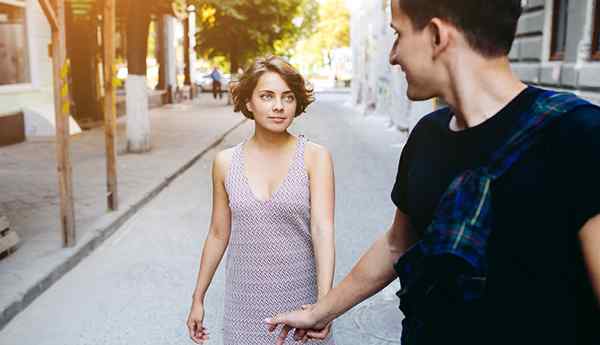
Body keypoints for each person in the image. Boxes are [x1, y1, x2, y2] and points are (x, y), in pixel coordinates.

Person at [266, 1, 600, 345]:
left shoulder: (579, 136)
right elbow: (397, 244)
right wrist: (322, 310)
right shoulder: (428, 134)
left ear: (438, 35)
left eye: (398, 34)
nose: (393, 56)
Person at [186, 56, 336, 345]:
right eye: (267, 96)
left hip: (301, 304)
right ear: (249, 103)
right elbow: (218, 234)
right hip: (243, 306)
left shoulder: (315, 157)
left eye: (287, 97)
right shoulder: (225, 162)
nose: (279, 106)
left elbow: (323, 230)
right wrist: (198, 298)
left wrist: (324, 305)